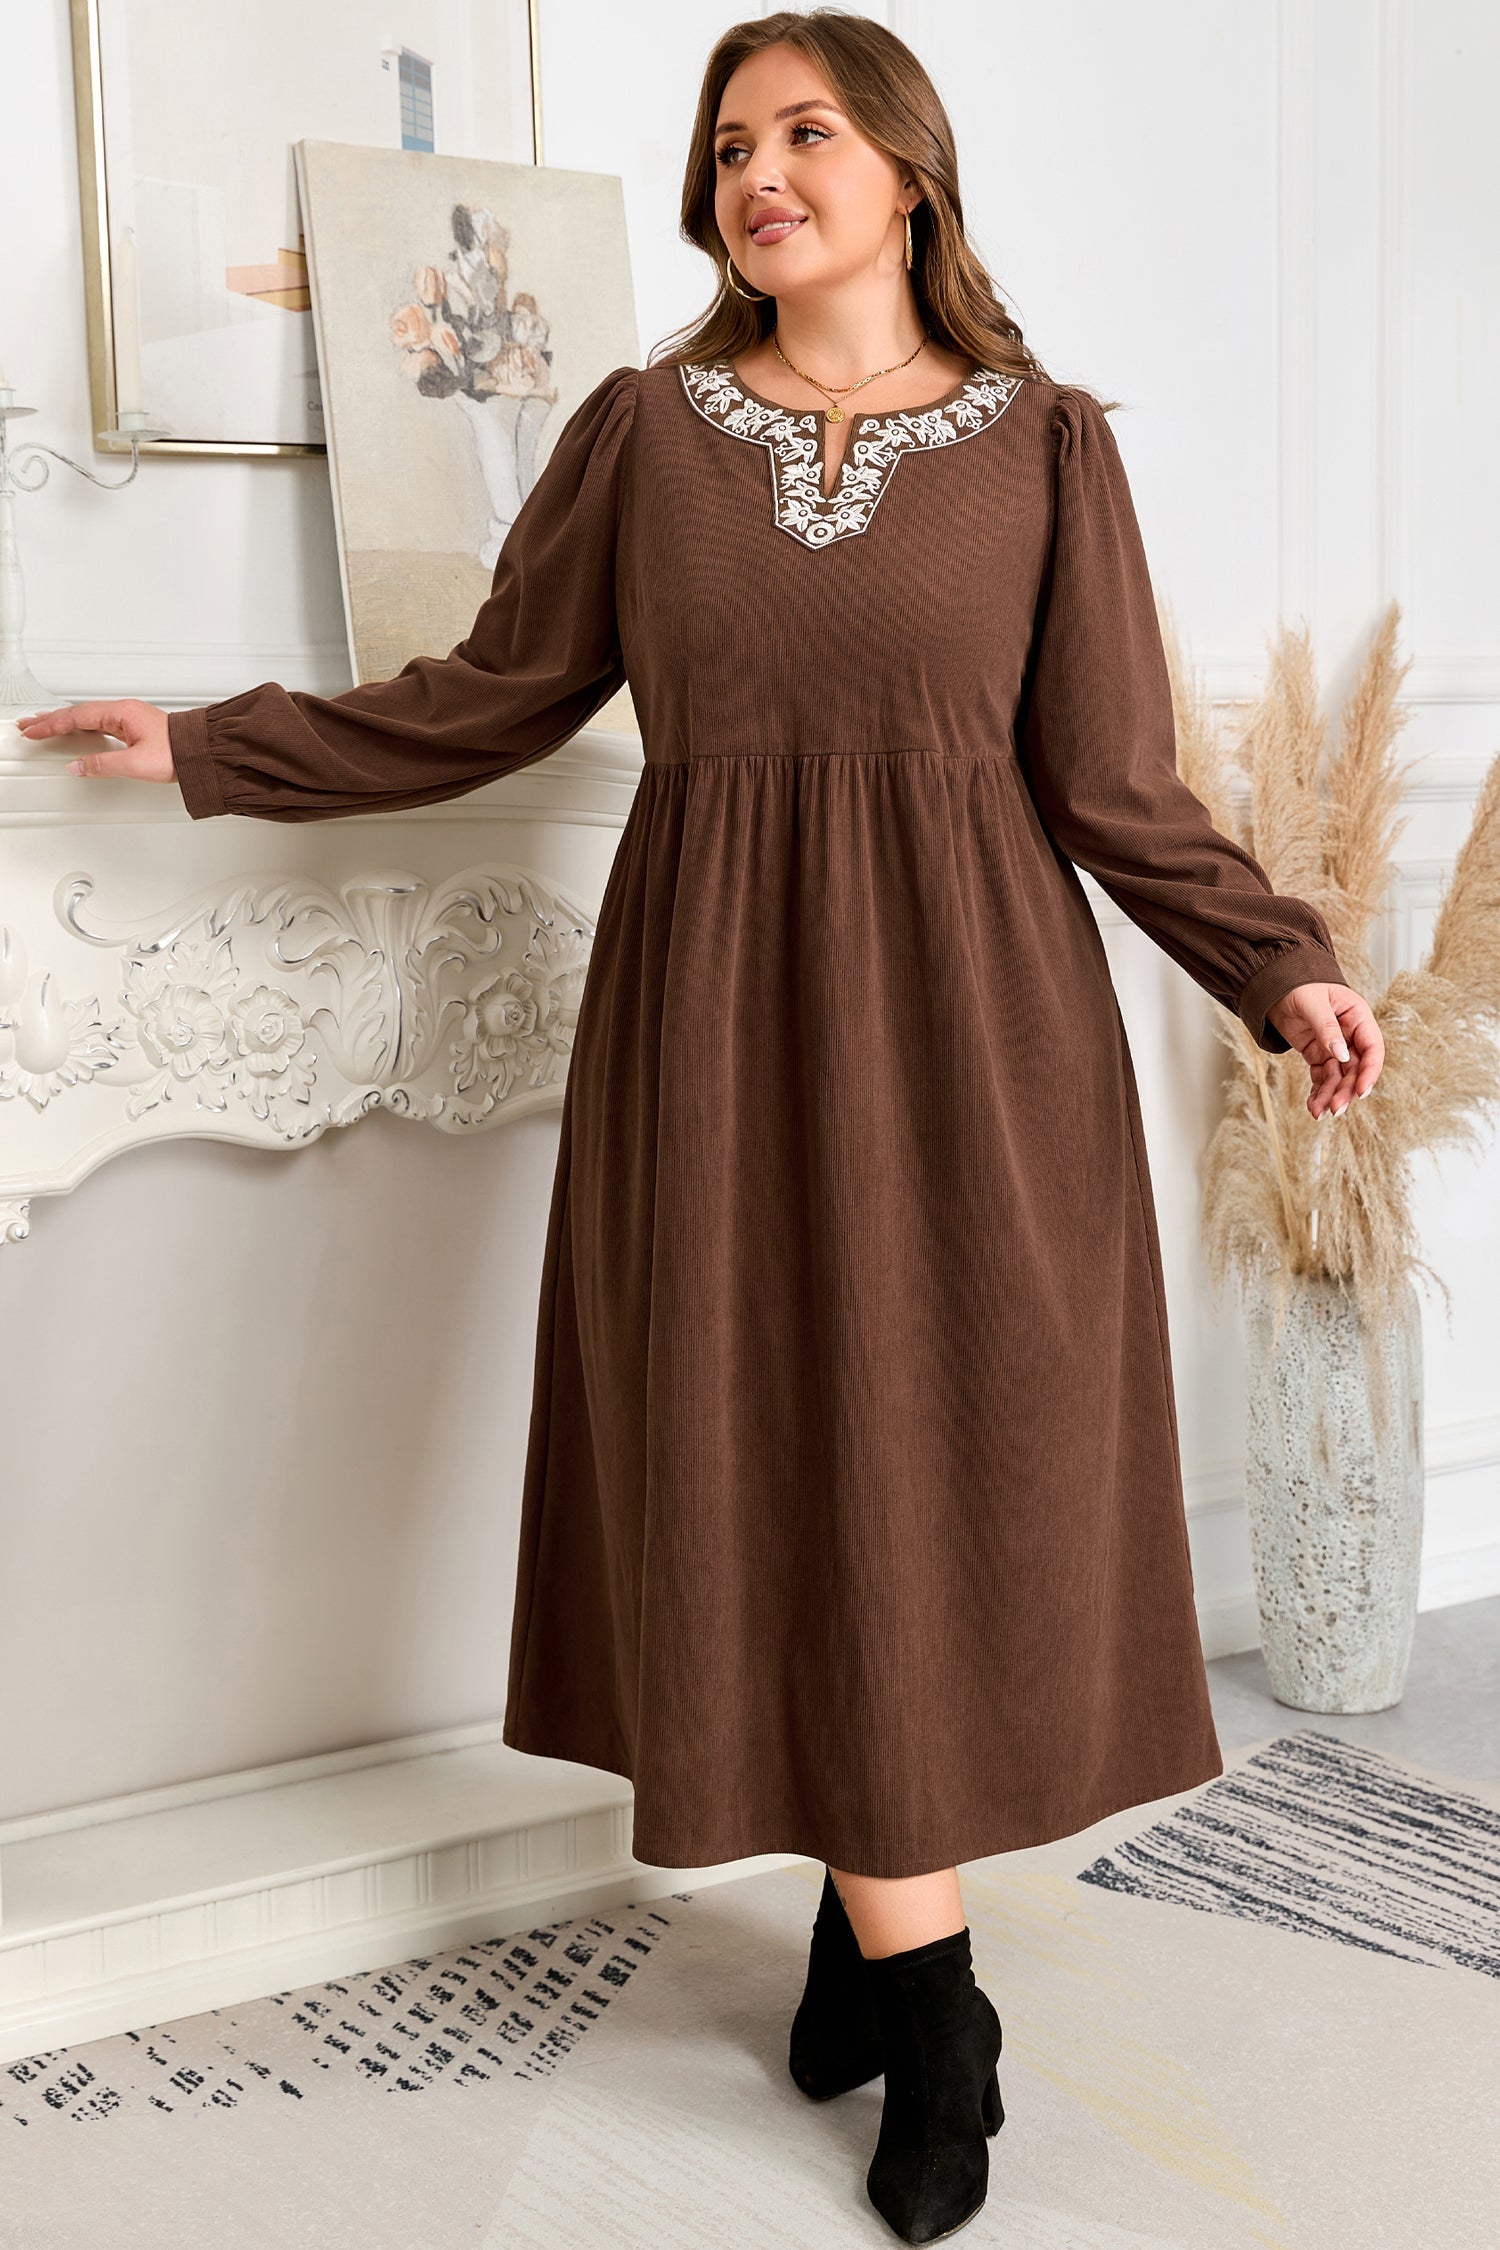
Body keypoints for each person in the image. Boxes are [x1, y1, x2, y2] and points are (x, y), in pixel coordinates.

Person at [19, 11, 1385, 2240]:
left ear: (910, 172)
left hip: (978, 1033)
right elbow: (490, 698)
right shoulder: (644, 435)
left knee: (936, 1465)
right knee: (766, 1457)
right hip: (717, 1029)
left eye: (807, 132)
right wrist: (211, 744)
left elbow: (1116, 783)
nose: (760, 174)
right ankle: (919, 1983)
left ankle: (902, 1974)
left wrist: (1282, 961)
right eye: (731, 142)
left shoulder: (1049, 446)